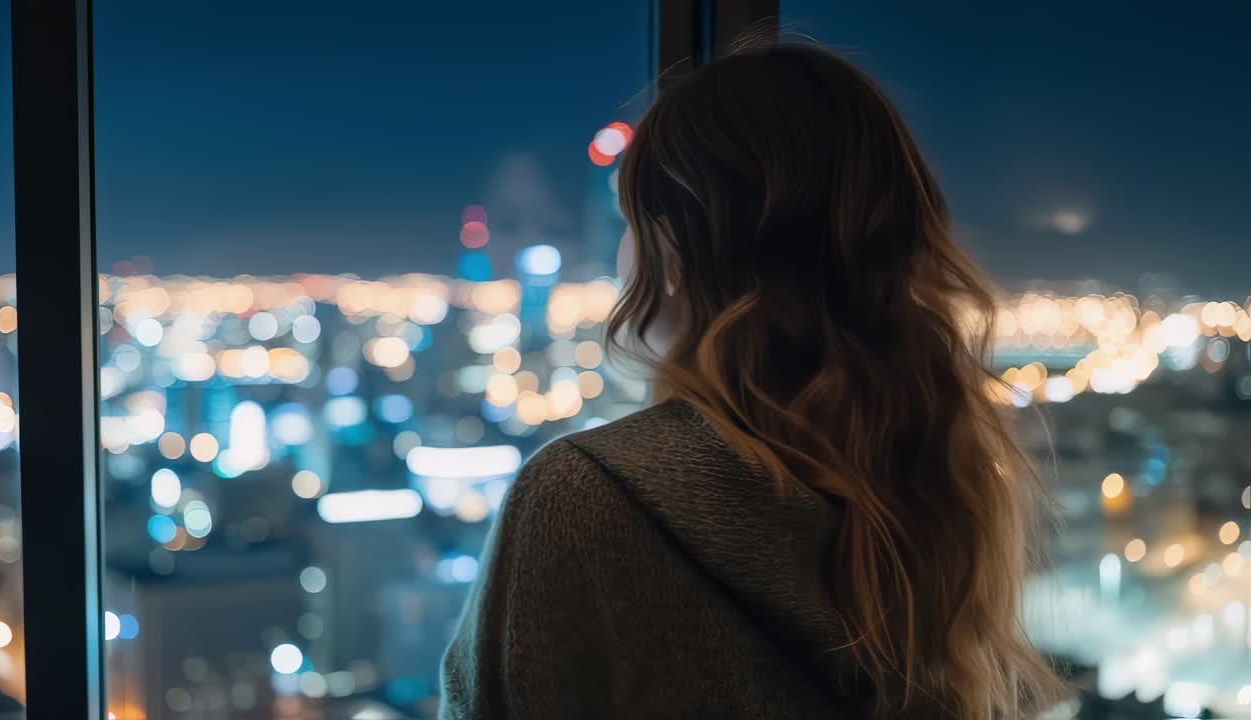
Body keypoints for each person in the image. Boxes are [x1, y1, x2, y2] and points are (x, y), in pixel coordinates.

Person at [440, 39, 1065, 719]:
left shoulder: (586, 495)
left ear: (674, 248)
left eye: (630, 222)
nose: (621, 255)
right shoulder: (935, 485)